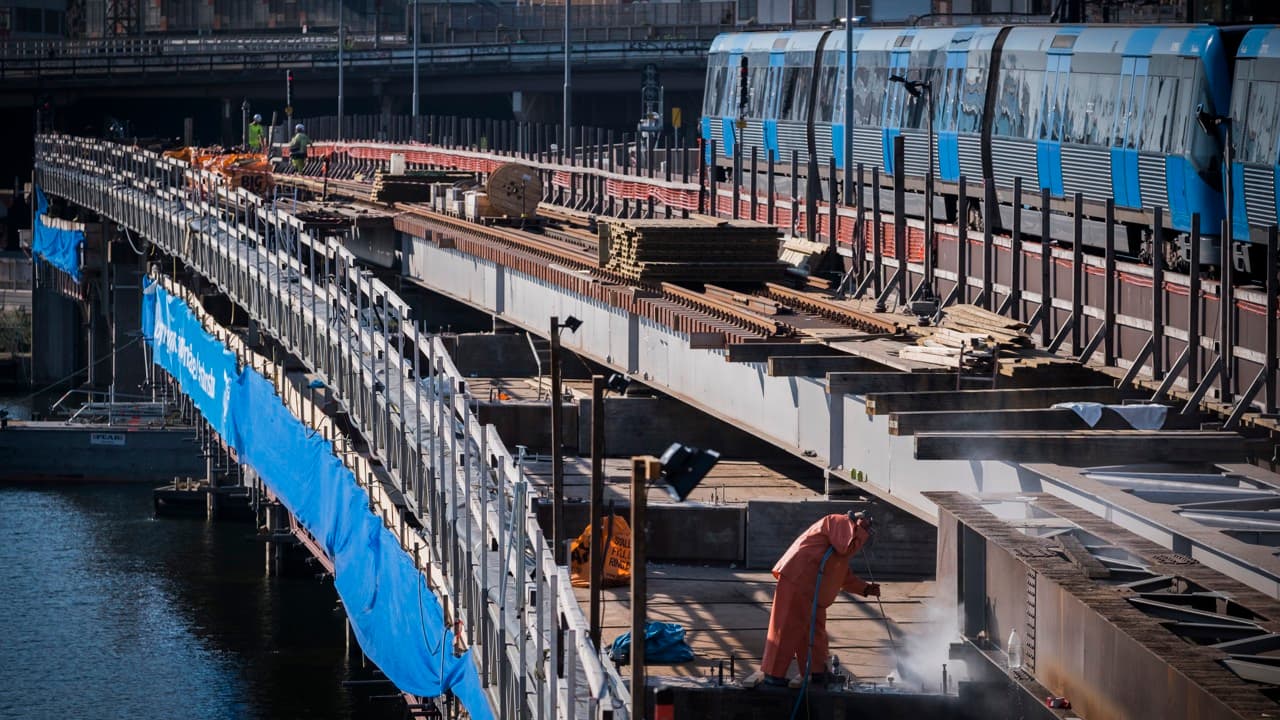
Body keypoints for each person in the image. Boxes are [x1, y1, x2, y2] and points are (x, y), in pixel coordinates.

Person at [759, 511, 880, 687]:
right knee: (786, 628)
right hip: (797, 579)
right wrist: (861, 531)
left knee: (815, 633)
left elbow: (840, 574)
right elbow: (845, 548)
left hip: (812, 590)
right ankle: (773, 674)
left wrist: (865, 588)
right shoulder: (839, 521)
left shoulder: (838, 549)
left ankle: (816, 672)